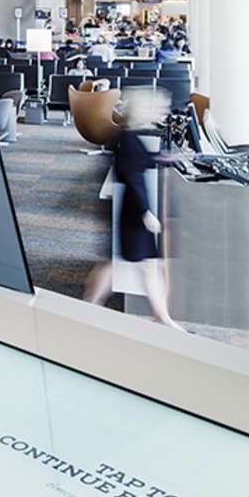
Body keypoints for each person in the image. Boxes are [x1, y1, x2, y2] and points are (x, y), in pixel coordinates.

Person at [84, 87, 186, 331]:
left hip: (133, 208)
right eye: (156, 107)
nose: (162, 111)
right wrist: (145, 212)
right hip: (133, 210)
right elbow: (131, 176)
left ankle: (161, 317)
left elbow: (136, 163)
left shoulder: (129, 135)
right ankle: (89, 304)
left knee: (140, 263)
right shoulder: (128, 139)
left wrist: (161, 158)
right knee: (121, 263)